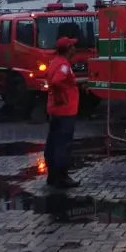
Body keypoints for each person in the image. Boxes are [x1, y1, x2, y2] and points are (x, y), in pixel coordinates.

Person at [44, 36, 81, 188]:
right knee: (63, 144)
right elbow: (57, 82)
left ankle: (52, 176)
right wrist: (62, 98)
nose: (75, 49)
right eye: (72, 46)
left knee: (52, 142)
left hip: (56, 110)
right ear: (68, 49)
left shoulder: (55, 62)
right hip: (65, 111)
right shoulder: (63, 66)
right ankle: (62, 176)